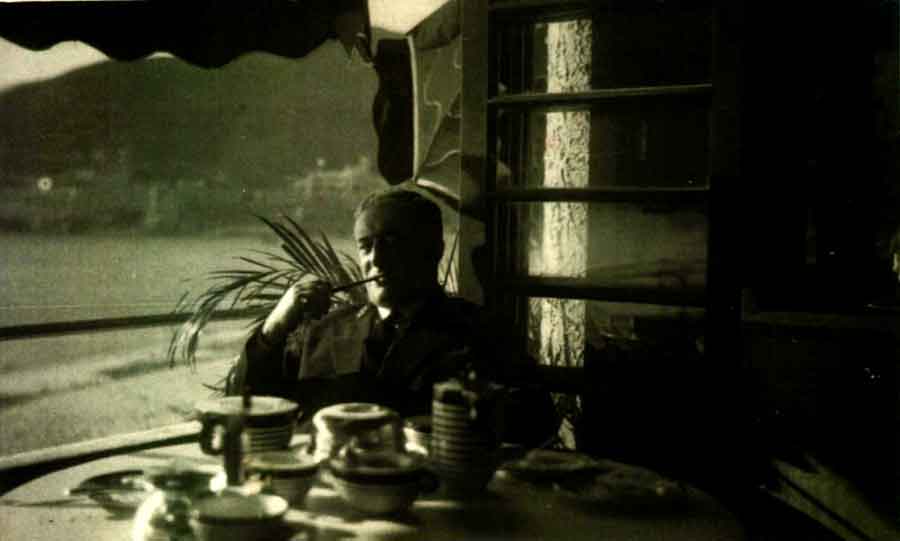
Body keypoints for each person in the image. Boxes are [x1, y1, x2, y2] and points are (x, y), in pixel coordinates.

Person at [226, 188, 558, 446]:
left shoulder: (479, 331)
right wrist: (275, 326)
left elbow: (537, 419)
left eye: (392, 243)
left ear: (434, 251)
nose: (377, 259)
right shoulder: (323, 333)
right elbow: (244, 407)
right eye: (366, 246)